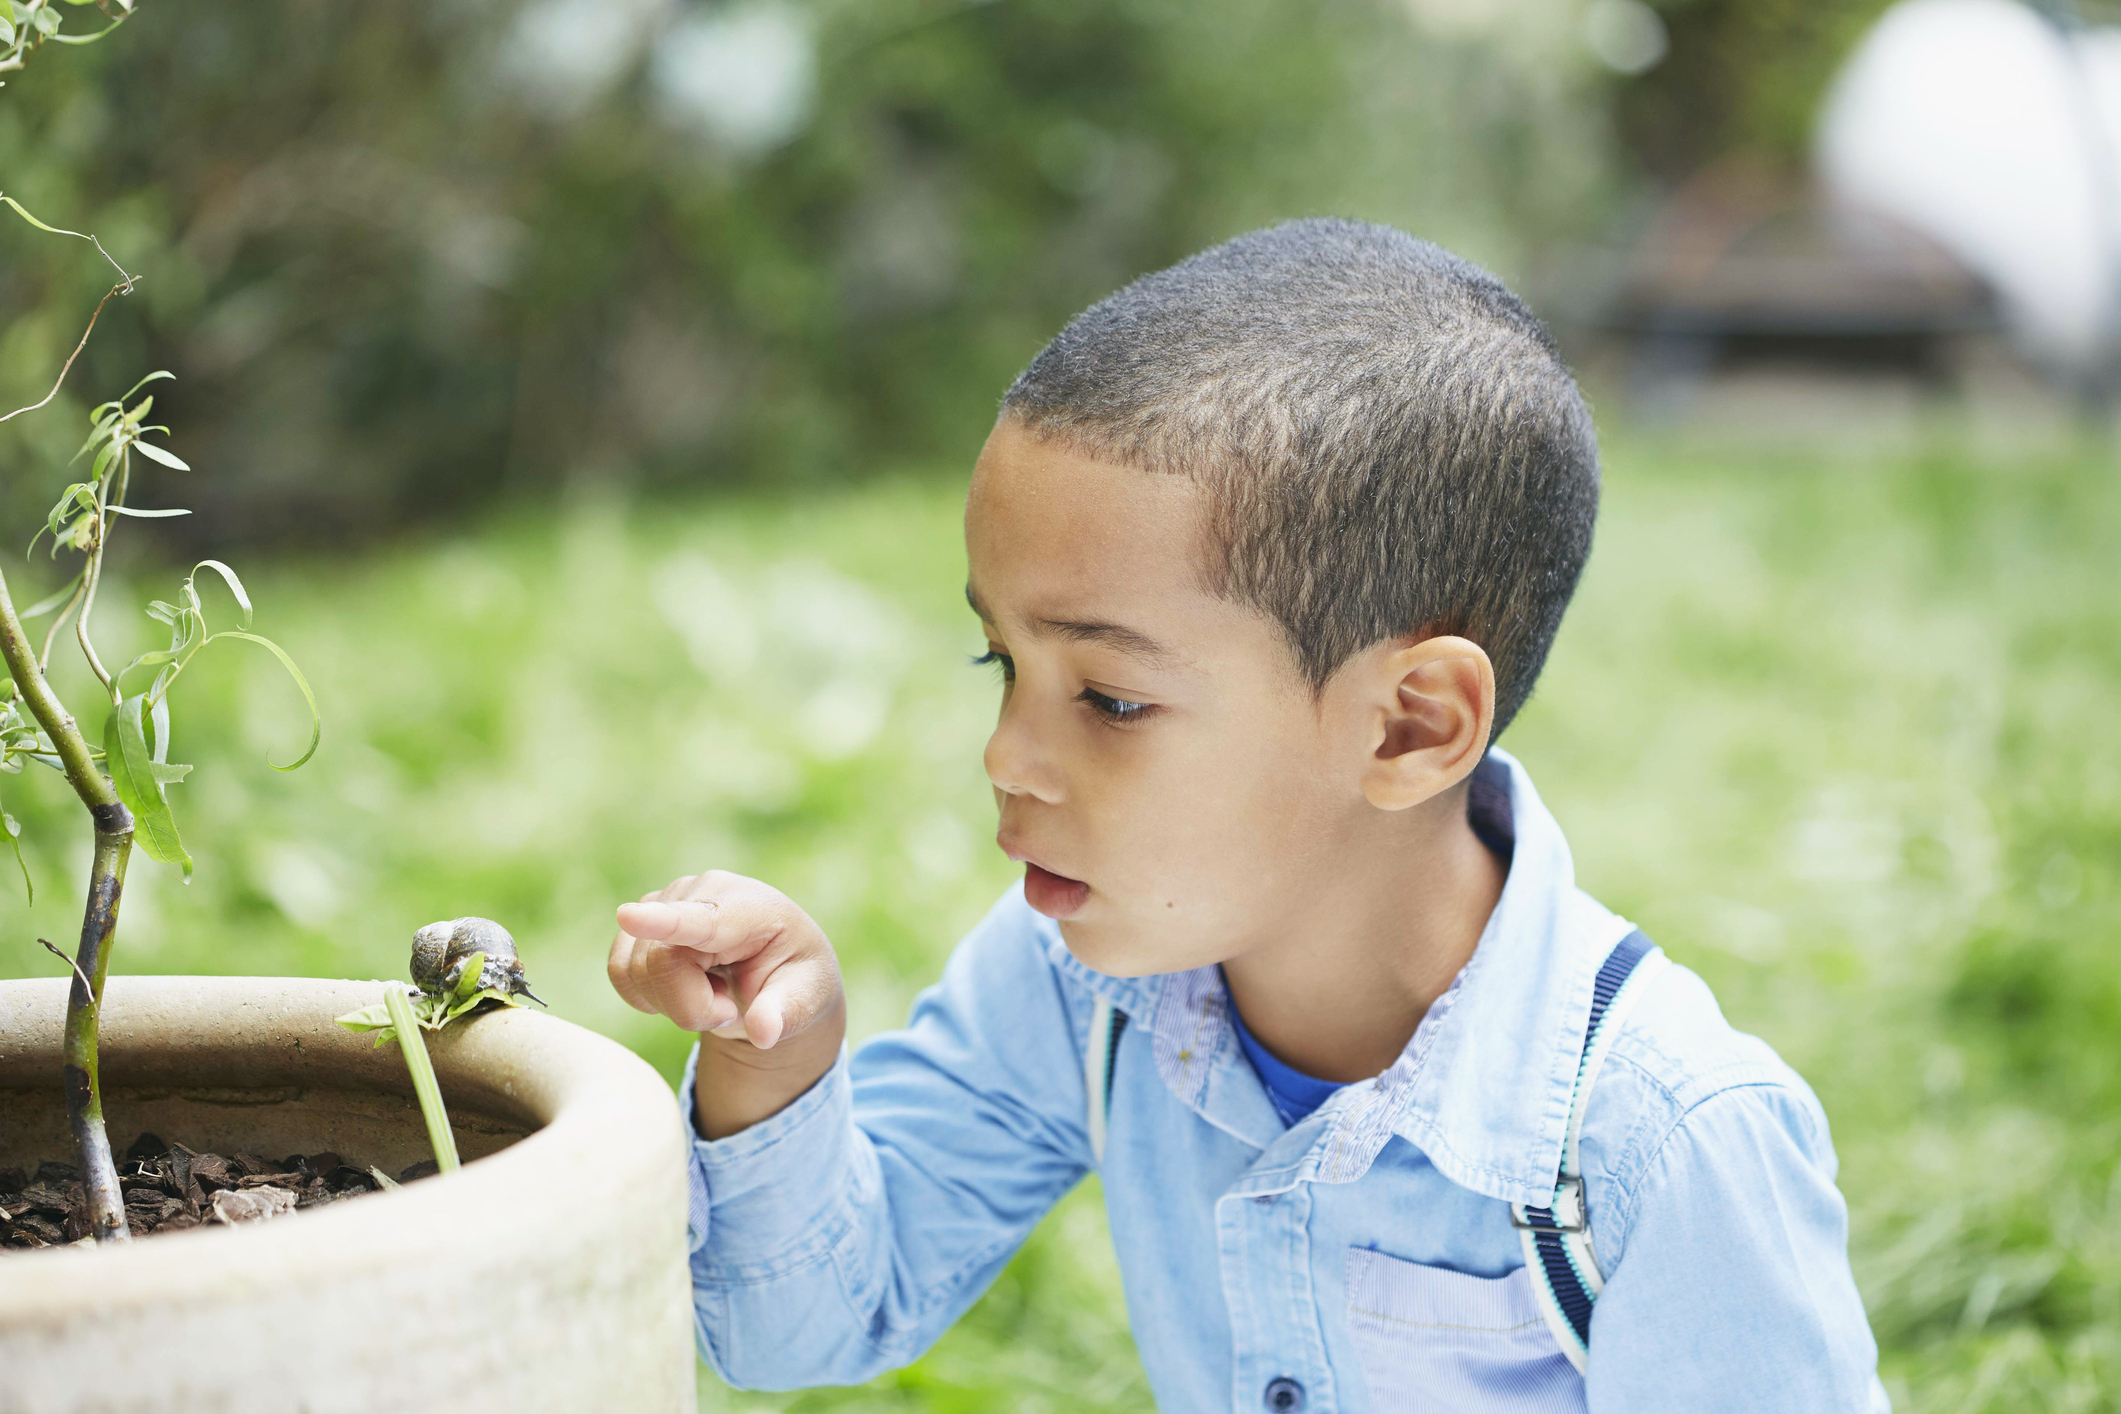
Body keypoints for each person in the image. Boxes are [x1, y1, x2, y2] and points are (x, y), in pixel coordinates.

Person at [607, 219, 1888, 1411]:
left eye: (1108, 697)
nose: (1008, 756)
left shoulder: (1663, 1143)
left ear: (1411, 725)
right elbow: (800, 1330)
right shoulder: (1075, 984)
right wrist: (779, 1060)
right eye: (1000, 664)